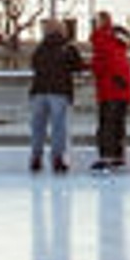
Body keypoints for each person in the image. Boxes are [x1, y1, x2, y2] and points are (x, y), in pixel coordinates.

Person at [25, 15, 80, 174]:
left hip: (39, 91)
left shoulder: (40, 48)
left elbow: (34, 65)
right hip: (59, 92)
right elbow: (77, 65)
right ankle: (57, 159)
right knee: (58, 127)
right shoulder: (68, 47)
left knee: (38, 127)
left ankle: (36, 158)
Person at [86, 10, 130, 172]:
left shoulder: (101, 40)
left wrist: (89, 67)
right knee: (118, 123)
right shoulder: (118, 42)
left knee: (106, 124)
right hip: (123, 88)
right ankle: (117, 157)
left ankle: (106, 158)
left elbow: (101, 64)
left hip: (109, 89)